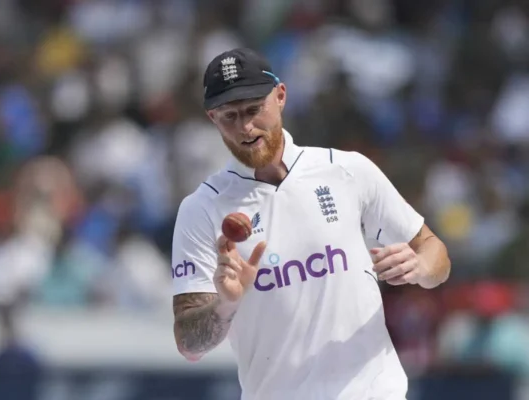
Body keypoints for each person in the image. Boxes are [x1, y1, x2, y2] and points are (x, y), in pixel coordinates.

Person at [171, 48, 451, 400]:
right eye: (230, 116)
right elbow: (188, 344)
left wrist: (420, 267)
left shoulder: (346, 170)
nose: (245, 127)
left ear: (280, 96)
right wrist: (225, 304)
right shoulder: (201, 209)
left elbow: (435, 253)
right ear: (212, 118)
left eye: (254, 109)